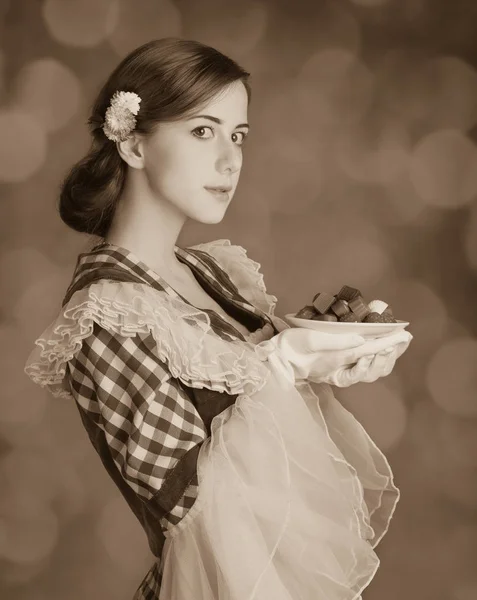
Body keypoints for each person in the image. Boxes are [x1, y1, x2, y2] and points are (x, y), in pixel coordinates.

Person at [24, 38, 413, 600]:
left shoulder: (204, 270)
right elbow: (198, 501)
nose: (230, 160)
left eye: (239, 136)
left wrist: (319, 345)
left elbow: (240, 395)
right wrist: (282, 364)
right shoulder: (105, 315)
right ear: (133, 144)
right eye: (202, 131)